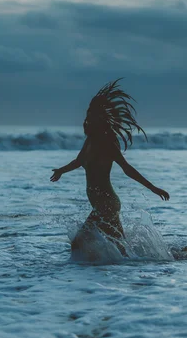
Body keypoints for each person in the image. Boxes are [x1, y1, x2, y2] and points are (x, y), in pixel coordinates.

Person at [50, 79, 169, 258]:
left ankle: (93, 273)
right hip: (103, 203)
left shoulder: (107, 143)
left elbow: (127, 169)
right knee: (121, 248)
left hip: (107, 204)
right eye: (88, 114)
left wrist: (153, 188)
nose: (88, 118)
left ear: (101, 118)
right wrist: (60, 171)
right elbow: (78, 161)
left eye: (92, 115)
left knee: (78, 244)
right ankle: (143, 263)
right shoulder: (90, 141)